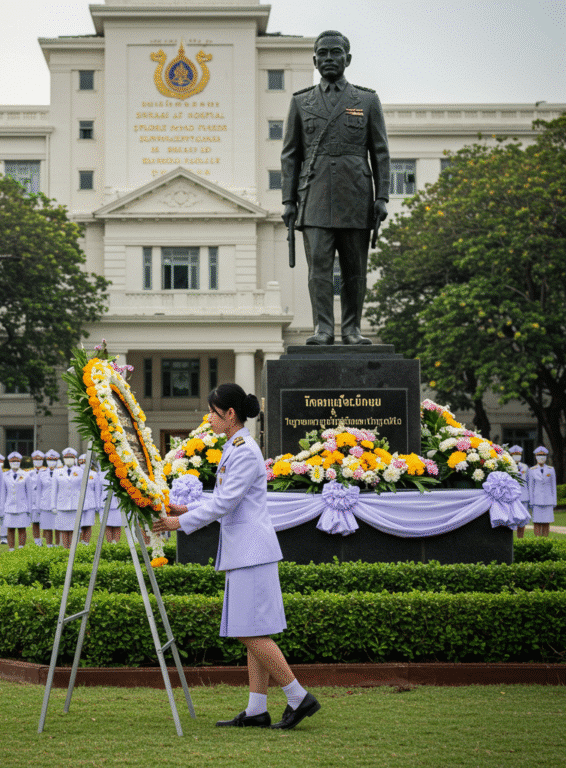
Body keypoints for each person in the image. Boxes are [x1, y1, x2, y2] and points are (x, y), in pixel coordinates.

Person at [153, 383, 320, 730]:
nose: (209, 419)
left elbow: (226, 503)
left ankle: (297, 696)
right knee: (252, 630)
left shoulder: (243, 450)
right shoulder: (236, 446)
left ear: (230, 415)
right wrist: (187, 506)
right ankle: (257, 709)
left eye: (213, 413)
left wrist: (177, 522)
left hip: (251, 552)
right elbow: (226, 496)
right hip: (246, 551)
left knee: (250, 633)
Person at [281, 30, 390, 345]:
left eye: (335, 52)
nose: (329, 58)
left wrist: (382, 197)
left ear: (348, 58)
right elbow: (290, 156)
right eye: (323, 54)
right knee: (319, 269)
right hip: (314, 196)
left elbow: (380, 152)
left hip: (356, 195)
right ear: (315, 61)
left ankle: (352, 329)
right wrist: (289, 201)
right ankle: (324, 329)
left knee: (354, 269)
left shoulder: (366, 100)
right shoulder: (301, 102)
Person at [2, 451, 31, 551]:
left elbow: (29, 493)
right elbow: (3, 493)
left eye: (17, 461)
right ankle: (11, 548)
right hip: (9, 506)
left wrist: (29, 508)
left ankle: (21, 547)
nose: (15, 463)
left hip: (22, 506)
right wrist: (2, 508)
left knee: (22, 528)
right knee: (10, 529)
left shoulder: (26, 475)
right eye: (13, 461)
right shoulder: (4, 475)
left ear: (20, 462)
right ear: (9, 462)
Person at [55, 447, 82, 550]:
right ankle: (65, 548)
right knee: (64, 529)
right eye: (66, 458)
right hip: (62, 505)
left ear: (74, 459)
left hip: (75, 504)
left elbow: (82, 488)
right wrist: (53, 505)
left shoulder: (80, 471)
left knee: (74, 529)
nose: (69, 459)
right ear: (63, 459)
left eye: (71, 457)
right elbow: (54, 490)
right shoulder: (58, 472)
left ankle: (74, 549)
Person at [527, 446, 557, 538]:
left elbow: (553, 486)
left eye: (543, 455)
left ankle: (545, 541)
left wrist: (554, 501)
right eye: (539, 455)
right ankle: (537, 542)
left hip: (548, 500)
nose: (541, 457)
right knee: (536, 522)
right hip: (536, 500)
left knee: (546, 522)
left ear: (546, 456)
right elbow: (531, 487)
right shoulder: (531, 470)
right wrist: (531, 502)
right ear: (536, 456)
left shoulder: (551, 469)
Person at [38, 449, 60, 547]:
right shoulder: (41, 473)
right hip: (45, 502)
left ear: (57, 461)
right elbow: (39, 490)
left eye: (54, 460)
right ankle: (48, 544)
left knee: (58, 526)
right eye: (50, 460)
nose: (52, 462)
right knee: (47, 526)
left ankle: (58, 544)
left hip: (58, 503)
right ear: (46, 461)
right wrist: (38, 504)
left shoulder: (60, 472)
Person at [509, 446, 531, 539]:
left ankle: (520, 538)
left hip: (523, 496)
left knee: (522, 519)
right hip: (512, 497)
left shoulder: (525, 467)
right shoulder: (508, 466)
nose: (517, 456)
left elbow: (529, 482)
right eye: (515, 455)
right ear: (511, 455)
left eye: (518, 455)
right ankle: (511, 540)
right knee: (512, 519)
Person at [77, 453, 99, 545]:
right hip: (77, 503)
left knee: (88, 524)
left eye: (85, 462)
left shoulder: (94, 474)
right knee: (78, 524)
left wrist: (97, 504)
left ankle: (86, 542)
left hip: (90, 503)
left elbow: (97, 490)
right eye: (81, 462)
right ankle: (78, 542)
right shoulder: (76, 473)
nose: (83, 464)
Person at [29, 450, 45, 546]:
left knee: (45, 522)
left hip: (44, 500)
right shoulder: (28, 473)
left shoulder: (47, 471)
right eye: (35, 459)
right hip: (33, 501)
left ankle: (44, 540)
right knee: (35, 522)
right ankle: (36, 541)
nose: (37, 461)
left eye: (39, 459)